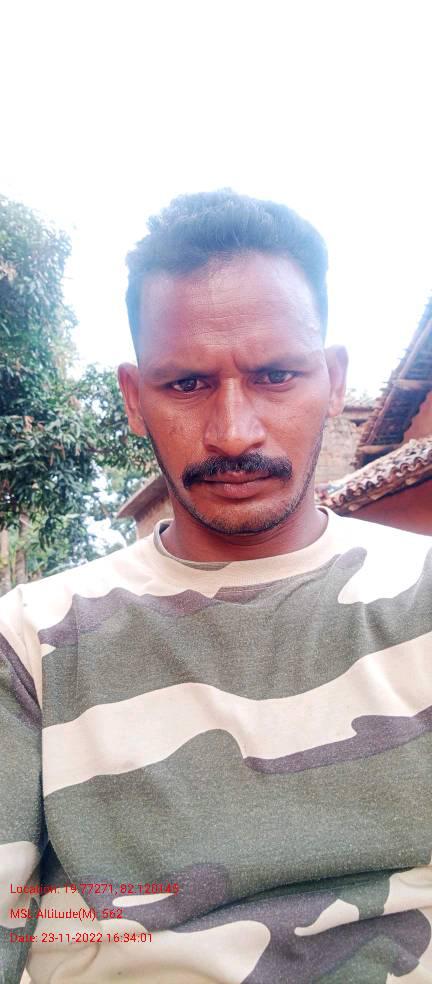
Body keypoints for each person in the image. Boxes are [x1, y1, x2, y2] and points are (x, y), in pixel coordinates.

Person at [1, 190, 431, 984]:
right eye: (187, 384)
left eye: (275, 375)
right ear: (135, 399)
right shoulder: (30, 641)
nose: (234, 431)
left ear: (334, 380)